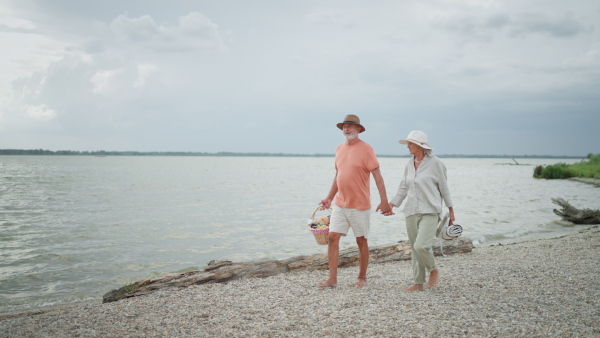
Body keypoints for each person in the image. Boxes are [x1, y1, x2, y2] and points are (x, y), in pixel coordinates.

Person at [318, 114, 393, 288]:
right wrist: (329, 198)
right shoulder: (339, 149)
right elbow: (338, 176)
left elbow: (378, 176)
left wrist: (384, 202)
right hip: (340, 204)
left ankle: (362, 278)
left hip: (360, 205)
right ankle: (332, 279)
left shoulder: (367, 149)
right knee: (332, 237)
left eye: (350, 126)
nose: (346, 129)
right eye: (344, 126)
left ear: (358, 129)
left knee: (361, 240)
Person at [388, 130, 455, 291]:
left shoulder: (436, 164)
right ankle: (418, 283)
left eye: (410, 143)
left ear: (420, 146)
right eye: (408, 143)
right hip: (411, 211)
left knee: (421, 246)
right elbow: (403, 188)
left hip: (430, 211)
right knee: (415, 249)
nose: (408, 146)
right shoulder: (409, 164)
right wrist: (391, 205)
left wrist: (451, 210)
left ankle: (433, 269)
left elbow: (444, 189)